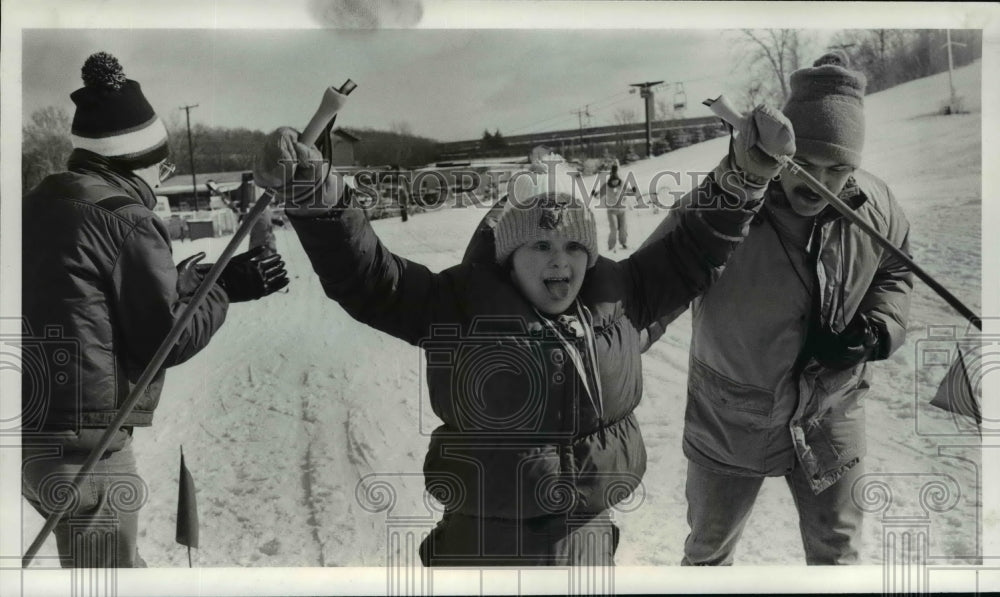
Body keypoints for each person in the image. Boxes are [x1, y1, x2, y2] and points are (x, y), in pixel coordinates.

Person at [254, 91, 795, 566]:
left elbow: (693, 249)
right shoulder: (457, 306)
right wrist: (313, 193)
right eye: (540, 245)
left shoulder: (620, 300)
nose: (560, 263)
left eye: (573, 246)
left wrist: (744, 177)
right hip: (484, 550)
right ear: (509, 254)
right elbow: (371, 278)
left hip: (586, 546)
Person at [640, 52, 913, 565]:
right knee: (708, 552)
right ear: (780, 153)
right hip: (730, 415)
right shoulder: (726, 204)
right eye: (803, 165)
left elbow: (895, 272)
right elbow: (649, 292)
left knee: (838, 552)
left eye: (837, 169)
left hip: (831, 412)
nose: (818, 184)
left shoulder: (876, 204)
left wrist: (878, 330)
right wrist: (601, 351)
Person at [20, 52, 289, 568]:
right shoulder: (128, 218)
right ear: (134, 160)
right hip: (89, 452)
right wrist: (223, 285)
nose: (161, 178)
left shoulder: (37, 202)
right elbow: (164, 340)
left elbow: (82, 298)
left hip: (33, 443)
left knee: (103, 569)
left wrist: (181, 283)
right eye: (160, 165)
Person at [592, 160, 630, 251]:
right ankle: (611, 246)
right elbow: (598, 195)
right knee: (614, 228)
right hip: (611, 211)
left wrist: (632, 190)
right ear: (611, 181)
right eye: (613, 181)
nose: (615, 183)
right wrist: (594, 194)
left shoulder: (622, 184)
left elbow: (628, 190)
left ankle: (623, 243)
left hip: (622, 210)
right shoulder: (606, 186)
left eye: (616, 181)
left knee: (623, 228)